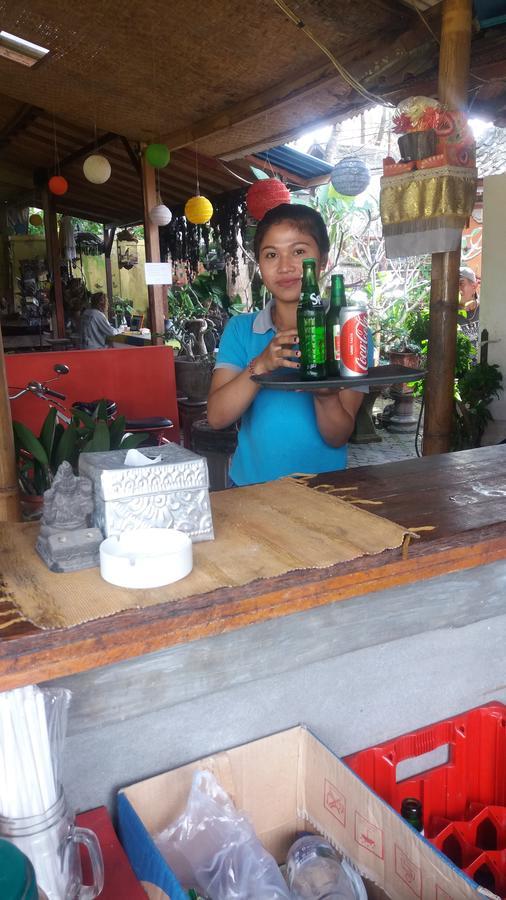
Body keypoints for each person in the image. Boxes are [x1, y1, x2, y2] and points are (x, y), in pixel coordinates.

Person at [207, 204, 370, 486]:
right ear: (259, 265)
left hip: (324, 492)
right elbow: (217, 417)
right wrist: (260, 365)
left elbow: (337, 436)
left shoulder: (348, 332)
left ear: (323, 260)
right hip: (249, 491)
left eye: (298, 251)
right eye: (271, 255)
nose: (285, 266)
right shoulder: (241, 330)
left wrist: (325, 395)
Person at [458, 266, 480, 344]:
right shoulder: (449, 314)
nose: (457, 288)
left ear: (474, 286)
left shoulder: (486, 307)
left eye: (461, 283)